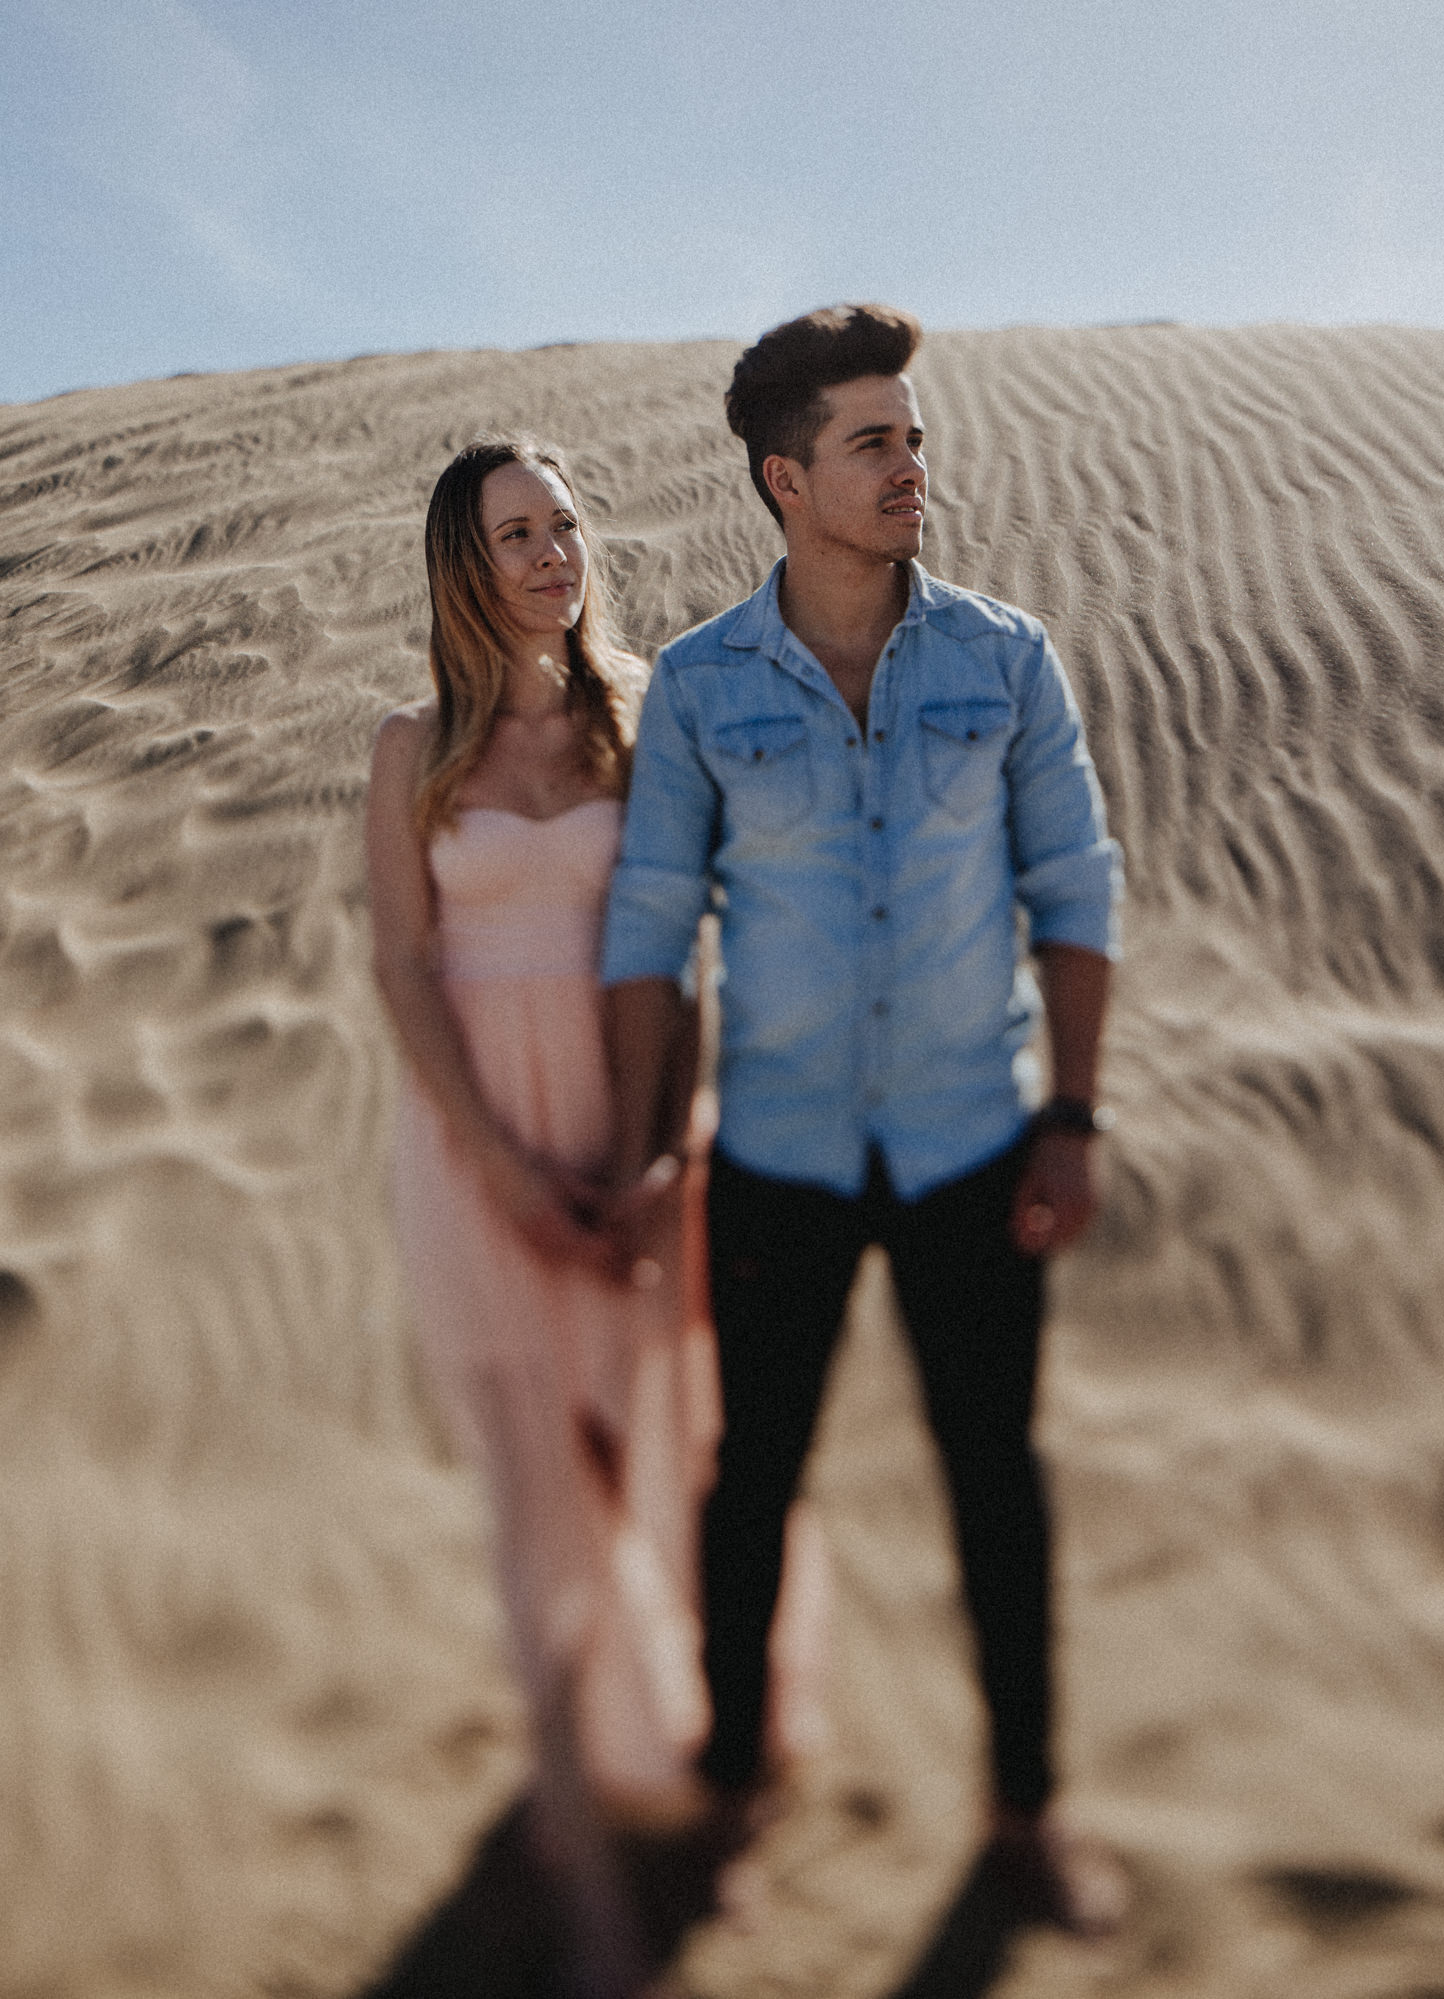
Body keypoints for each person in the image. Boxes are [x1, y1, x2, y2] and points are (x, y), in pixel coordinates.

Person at [599, 304, 1130, 1934]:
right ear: (787, 477)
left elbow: (1076, 890)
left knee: (996, 1480)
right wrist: (642, 1150)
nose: (915, 465)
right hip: (778, 1157)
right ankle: (732, 1788)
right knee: (751, 1480)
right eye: (873, 442)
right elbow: (649, 927)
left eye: (915, 434)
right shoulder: (696, 687)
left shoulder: (1008, 656)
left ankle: (1026, 1816)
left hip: (975, 1139)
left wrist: (1076, 1118)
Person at [367, 436, 824, 1992]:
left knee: (658, 1468)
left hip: (630, 1135)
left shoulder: (651, 722)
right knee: (533, 1503)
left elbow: (680, 950)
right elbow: (404, 971)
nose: (554, 554)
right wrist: (500, 1167)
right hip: (479, 1146)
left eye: (565, 525)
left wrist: (646, 1165)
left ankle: (705, 1776)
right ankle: (580, 1873)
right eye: (518, 533)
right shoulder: (407, 746)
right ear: (464, 564)